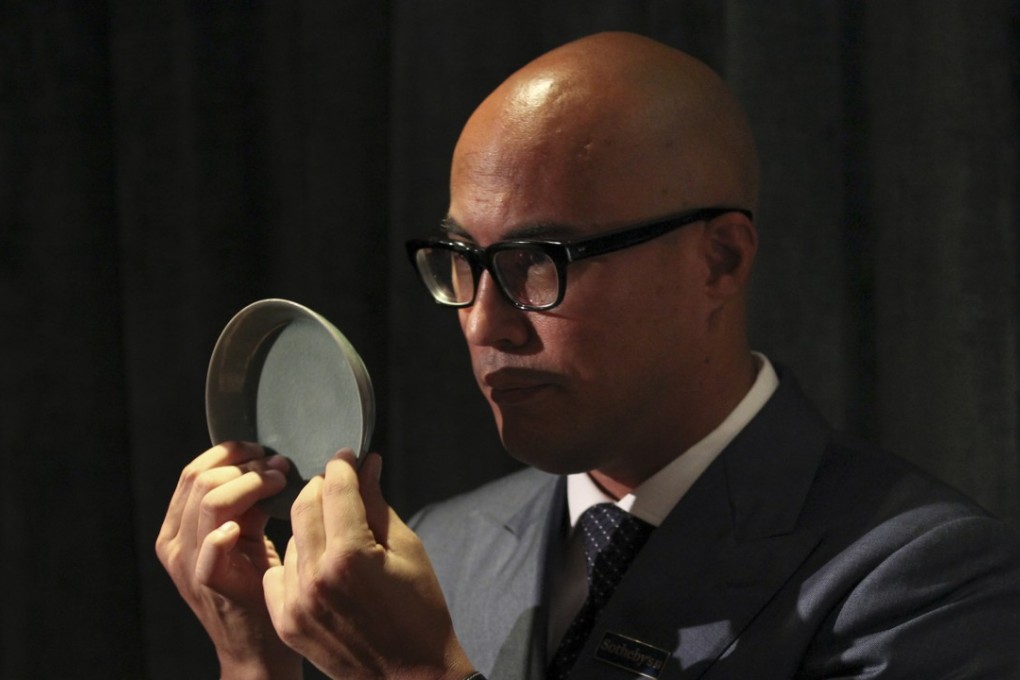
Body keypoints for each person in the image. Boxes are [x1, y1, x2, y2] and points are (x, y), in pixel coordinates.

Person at [157, 32, 1020, 679]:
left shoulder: (926, 582)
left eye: (541, 262)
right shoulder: (446, 545)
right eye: (463, 262)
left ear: (718, 259)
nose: (486, 322)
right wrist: (254, 665)